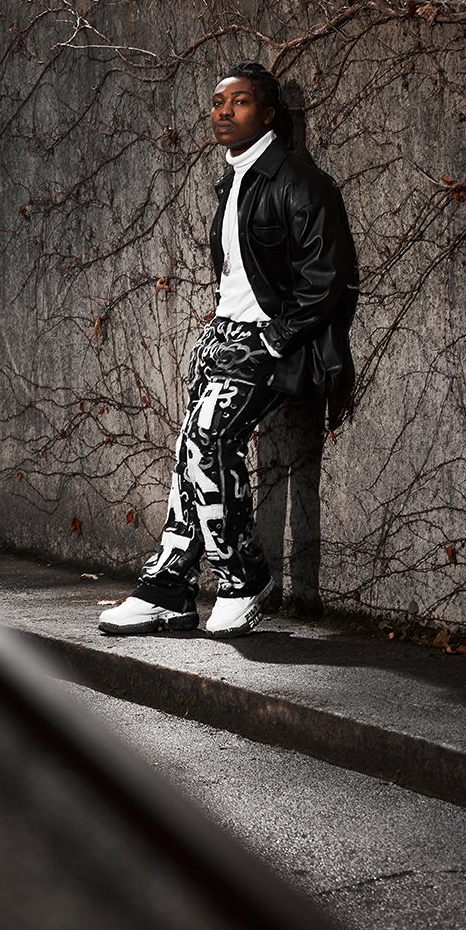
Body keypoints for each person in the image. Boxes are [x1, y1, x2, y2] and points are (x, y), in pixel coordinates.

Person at [98, 61, 357, 638]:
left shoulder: (298, 181)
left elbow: (326, 277)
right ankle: (168, 588)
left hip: (268, 342)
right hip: (224, 335)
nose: (223, 112)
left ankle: (243, 579)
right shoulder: (234, 178)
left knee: (208, 441)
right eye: (218, 103)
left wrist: (271, 338)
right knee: (188, 455)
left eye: (238, 102)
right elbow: (238, 274)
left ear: (268, 114)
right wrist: (215, 330)